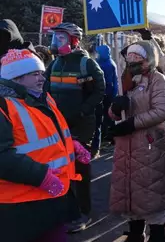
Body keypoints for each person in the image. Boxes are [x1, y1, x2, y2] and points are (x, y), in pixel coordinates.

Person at [0, 49, 91, 242]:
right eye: (35, 74)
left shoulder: (43, 97)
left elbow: (47, 133)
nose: (42, 78)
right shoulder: (3, 106)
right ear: (16, 78)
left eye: (42, 73)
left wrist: (71, 144)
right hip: (20, 206)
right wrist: (42, 176)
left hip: (50, 199)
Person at [44, 23, 105, 233]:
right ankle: (66, 210)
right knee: (60, 167)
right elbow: (44, 91)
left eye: (61, 38)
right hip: (59, 125)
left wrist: (83, 110)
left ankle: (83, 212)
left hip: (81, 125)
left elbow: (100, 90)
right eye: (55, 38)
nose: (55, 43)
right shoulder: (53, 65)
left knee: (80, 169)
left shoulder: (86, 64)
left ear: (74, 41)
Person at [108, 41, 165, 242]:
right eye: (130, 57)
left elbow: (161, 111)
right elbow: (115, 113)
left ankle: (157, 234)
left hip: (149, 144)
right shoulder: (125, 79)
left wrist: (133, 123)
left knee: (151, 190)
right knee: (131, 189)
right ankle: (135, 232)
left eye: (138, 57)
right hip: (126, 146)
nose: (133, 61)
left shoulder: (157, 79)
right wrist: (115, 109)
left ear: (148, 58)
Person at [92, 44, 119, 158]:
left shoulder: (104, 64)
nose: (96, 54)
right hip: (110, 92)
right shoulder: (110, 61)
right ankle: (111, 138)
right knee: (108, 116)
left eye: (98, 52)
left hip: (106, 93)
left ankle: (108, 138)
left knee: (105, 116)